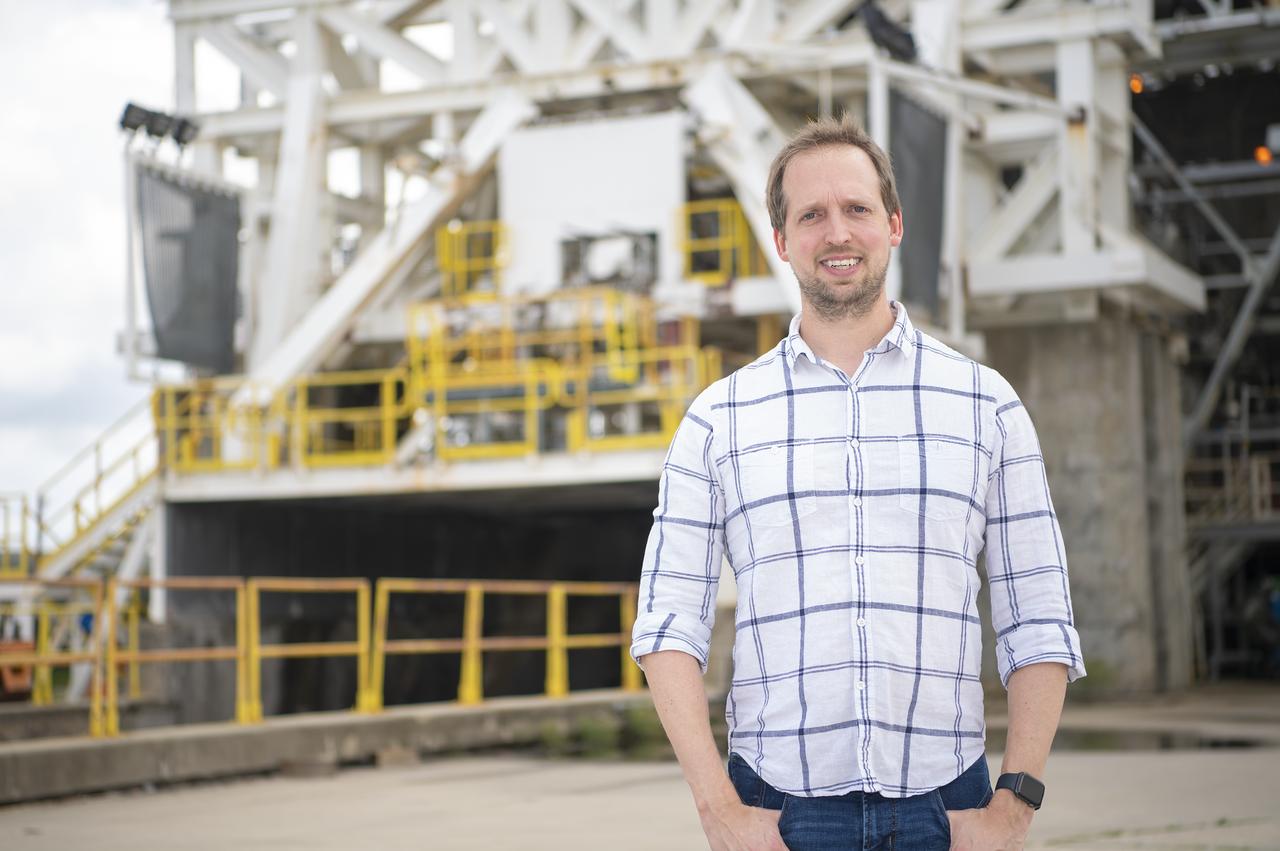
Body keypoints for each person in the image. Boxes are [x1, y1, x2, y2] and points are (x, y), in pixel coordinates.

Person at [630, 115, 1085, 850]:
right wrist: (719, 810)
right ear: (782, 241)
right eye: (811, 215)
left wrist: (1015, 805)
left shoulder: (986, 405)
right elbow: (665, 625)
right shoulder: (718, 420)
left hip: (949, 811)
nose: (835, 232)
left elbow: (1039, 616)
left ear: (894, 224)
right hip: (778, 815)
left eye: (857, 209)